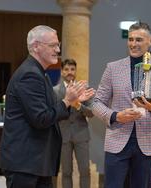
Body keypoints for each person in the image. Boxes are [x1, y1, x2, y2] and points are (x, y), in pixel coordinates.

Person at [0, 25, 92, 188]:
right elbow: (41, 118)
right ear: (35, 46)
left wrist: (72, 100)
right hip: (26, 165)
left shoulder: (39, 73)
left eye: (58, 45)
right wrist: (67, 101)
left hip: (36, 164)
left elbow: (48, 110)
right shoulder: (30, 75)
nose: (57, 50)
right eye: (52, 45)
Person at [92, 22, 151, 188]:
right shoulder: (113, 68)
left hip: (148, 142)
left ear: (150, 41)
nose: (133, 44)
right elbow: (97, 102)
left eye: (139, 39)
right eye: (130, 39)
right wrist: (115, 116)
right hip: (117, 140)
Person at [53, 59, 95, 188]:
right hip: (63, 135)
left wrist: (78, 105)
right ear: (61, 72)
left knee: (85, 171)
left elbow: (91, 113)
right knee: (66, 172)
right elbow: (53, 113)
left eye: (72, 69)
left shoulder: (84, 89)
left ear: (76, 71)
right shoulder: (54, 91)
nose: (69, 72)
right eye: (66, 69)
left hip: (81, 134)